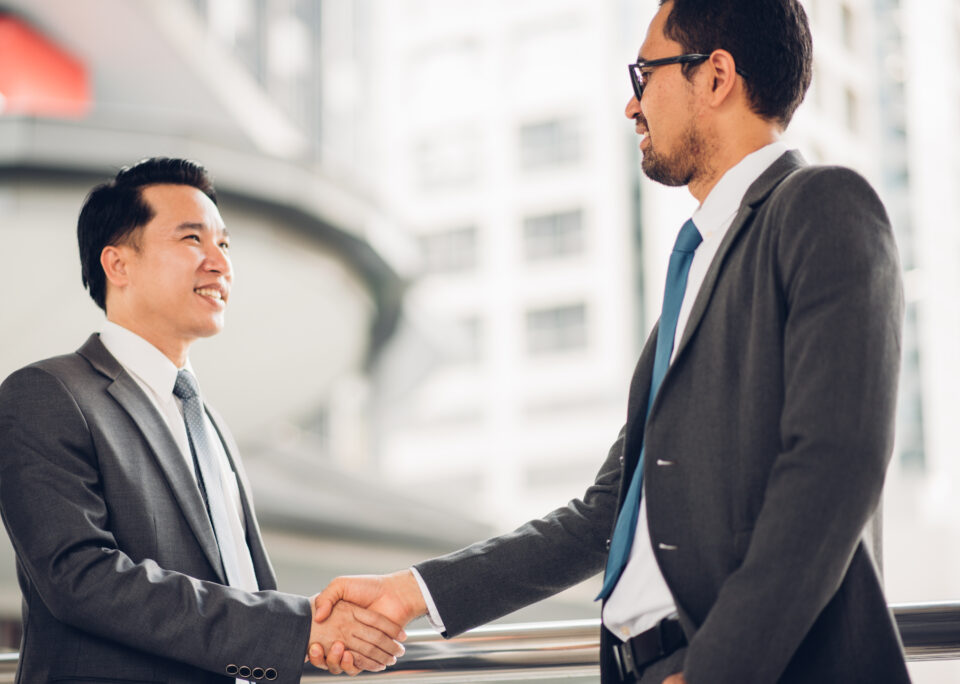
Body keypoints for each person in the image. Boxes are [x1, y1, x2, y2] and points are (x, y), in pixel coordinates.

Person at [309, 1, 911, 682]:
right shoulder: (699, 270)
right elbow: (605, 514)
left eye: (644, 75)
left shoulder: (822, 206)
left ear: (715, 77)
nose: (632, 106)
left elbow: (836, 463)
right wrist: (412, 592)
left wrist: (717, 673)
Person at [0, 158, 405, 683]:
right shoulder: (48, 394)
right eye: (192, 239)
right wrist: (298, 627)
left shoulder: (208, 423)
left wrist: (311, 632)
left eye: (224, 244)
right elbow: (81, 578)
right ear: (118, 264)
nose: (220, 262)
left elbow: (240, 587)